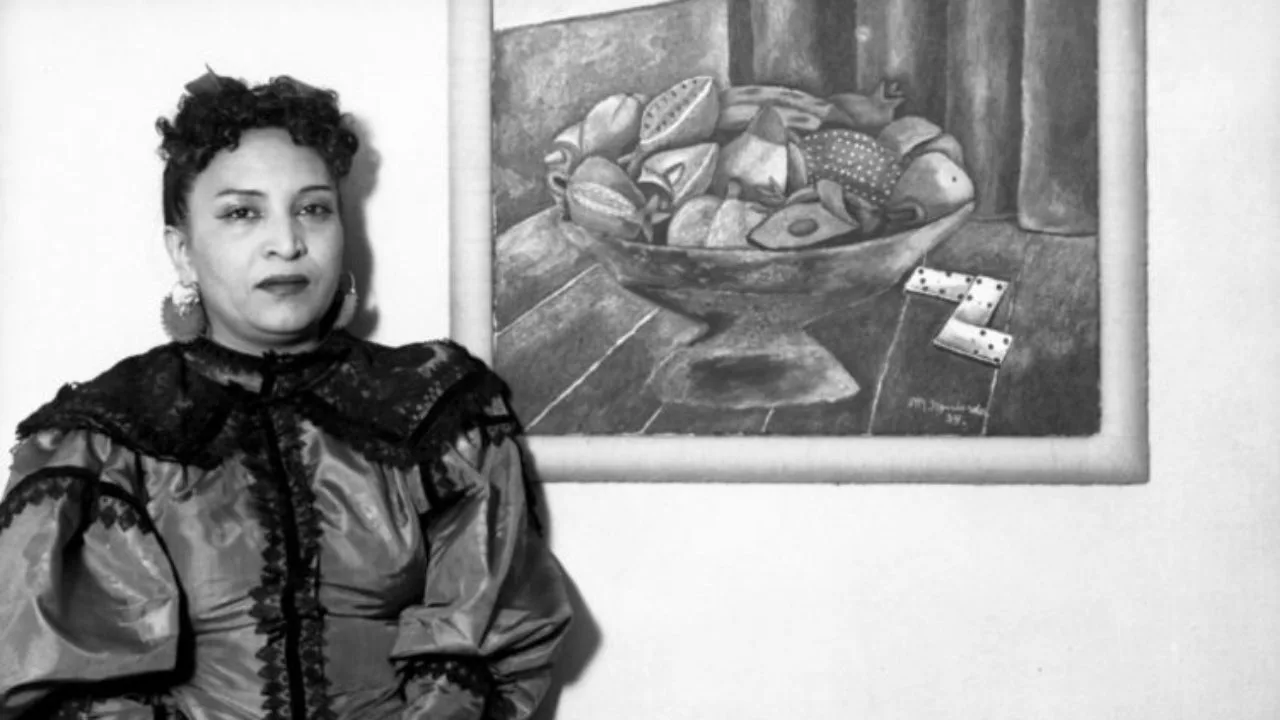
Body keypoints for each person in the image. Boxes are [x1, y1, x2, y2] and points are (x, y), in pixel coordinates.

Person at [0, 69, 572, 720]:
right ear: (183, 252)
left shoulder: (437, 412)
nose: (288, 243)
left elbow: (487, 640)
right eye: (242, 213)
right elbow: (71, 685)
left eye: (313, 208)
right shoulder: (108, 440)